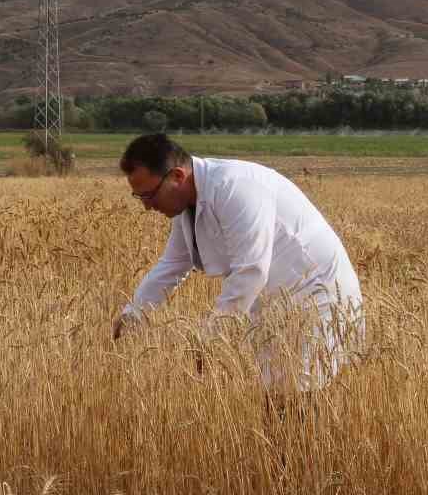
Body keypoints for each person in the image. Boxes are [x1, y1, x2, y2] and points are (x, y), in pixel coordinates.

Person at [112, 133, 363, 392]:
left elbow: (251, 271)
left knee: (297, 400)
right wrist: (135, 313)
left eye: (150, 195)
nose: (147, 206)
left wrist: (212, 338)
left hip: (316, 297)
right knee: (278, 399)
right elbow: (172, 264)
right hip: (275, 304)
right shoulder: (188, 202)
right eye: (139, 197)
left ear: (177, 176)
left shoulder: (236, 187)